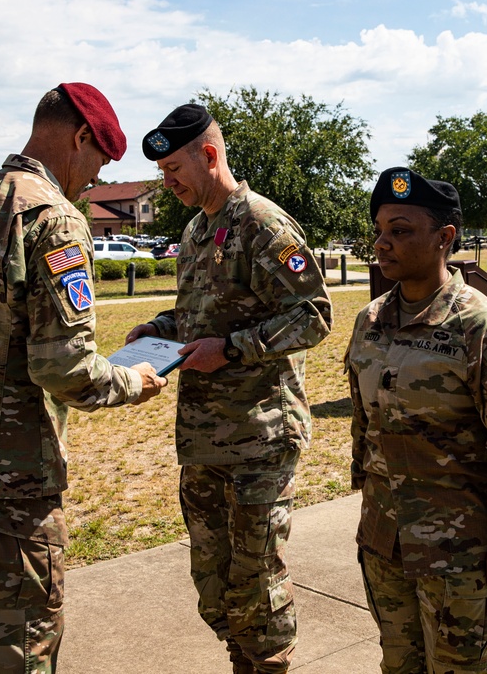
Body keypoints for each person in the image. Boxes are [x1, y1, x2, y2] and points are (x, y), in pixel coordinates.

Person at [0, 83, 167, 673]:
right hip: (9, 478)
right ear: (80, 137)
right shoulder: (52, 220)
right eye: (100, 160)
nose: (96, 178)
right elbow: (66, 369)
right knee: (17, 646)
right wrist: (137, 382)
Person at [126, 104, 332, 674]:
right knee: (213, 582)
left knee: (255, 576)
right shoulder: (196, 231)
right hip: (203, 438)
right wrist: (160, 329)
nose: (166, 183)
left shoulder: (263, 224)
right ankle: (244, 659)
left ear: (209, 155)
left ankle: (269, 666)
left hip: (259, 436)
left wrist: (235, 349)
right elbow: (201, 316)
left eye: (172, 170)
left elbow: (313, 314)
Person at [346, 167, 487, 673]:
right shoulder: (370, 322)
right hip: (385, 540)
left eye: (400, 230)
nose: (383, 243)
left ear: (444, 238)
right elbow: (363, 426)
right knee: (398, 665)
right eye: (379, 231)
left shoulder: (484, 330)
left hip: (461, 551)